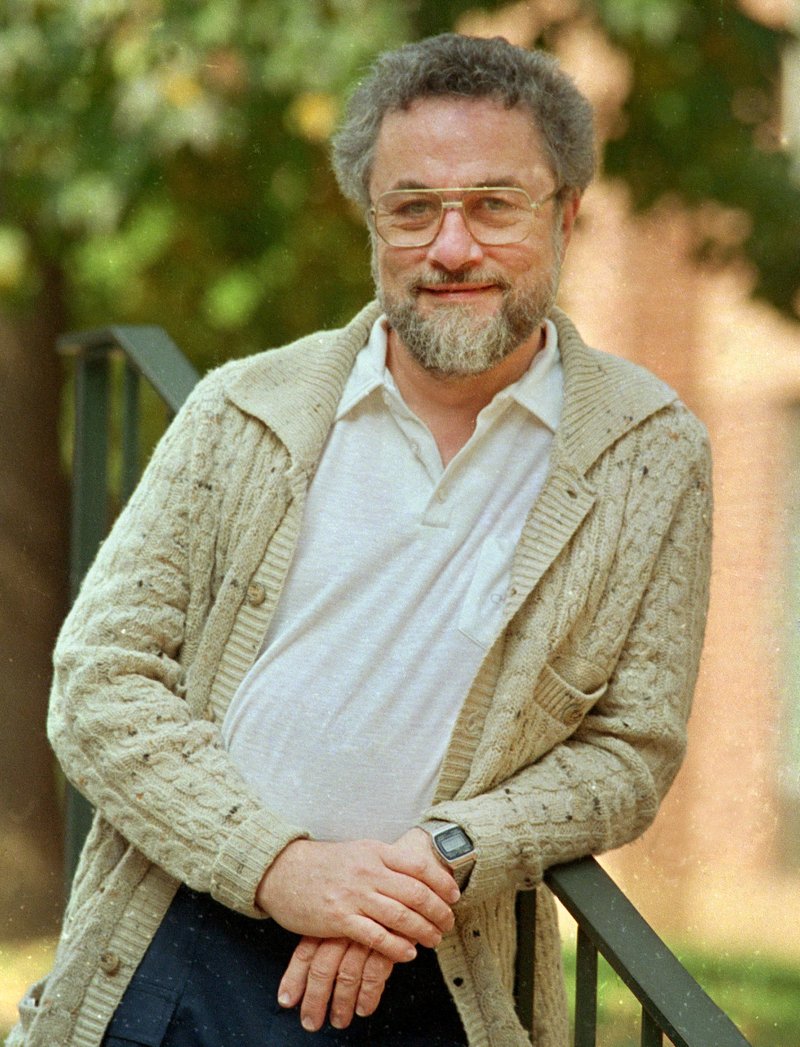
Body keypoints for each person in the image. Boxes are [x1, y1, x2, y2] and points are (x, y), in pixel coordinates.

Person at [12, 32, 712, 1047]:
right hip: (181, 945)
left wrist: (438, 858)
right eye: (412, 208)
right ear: (371, 225)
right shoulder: (239, 411)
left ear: (566, 214)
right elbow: (98, 681)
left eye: (492, 205)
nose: (451, 248)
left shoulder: (648, 453)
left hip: (434, 972)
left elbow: (628, 750)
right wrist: (283, 869)